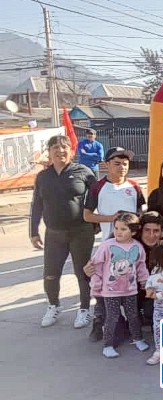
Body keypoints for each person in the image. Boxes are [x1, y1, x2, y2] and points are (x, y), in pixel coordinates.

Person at [30, 135, 97, 328]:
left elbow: (98, 196)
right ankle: (53, 305)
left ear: (72, 151)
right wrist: (33, 232)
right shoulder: (43, 177)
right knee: (51, 273)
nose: (60, 151)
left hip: (81, 232)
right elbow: (36, 205)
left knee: (82, 272)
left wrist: (98, 220)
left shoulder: (84, 172)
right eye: (55, 148)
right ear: (49, 152)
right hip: (54, 234)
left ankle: (84, 309)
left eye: (64, 147)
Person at [89, 212, 150, 358]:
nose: (118, 232)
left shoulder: (138, 247)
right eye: (116, 228)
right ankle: (108, 345)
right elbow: (96, 266)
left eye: (123, 229)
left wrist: (145, 282)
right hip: (110, 291)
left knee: (133, 315)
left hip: (130, 290)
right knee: (112, 317)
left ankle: (137, 338)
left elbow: (141, 267)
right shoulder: (107, 246)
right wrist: (96, 285)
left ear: (133, 231)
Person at [84, 147, 145, 241]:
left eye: (125, 164)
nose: (122, 167)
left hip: (133, 241)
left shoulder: (134, 185)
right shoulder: (97, 187)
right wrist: (112, 218)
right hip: (109, 241)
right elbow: (87, 216)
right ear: (107, 164)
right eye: (117, 164)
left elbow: (140, 210)